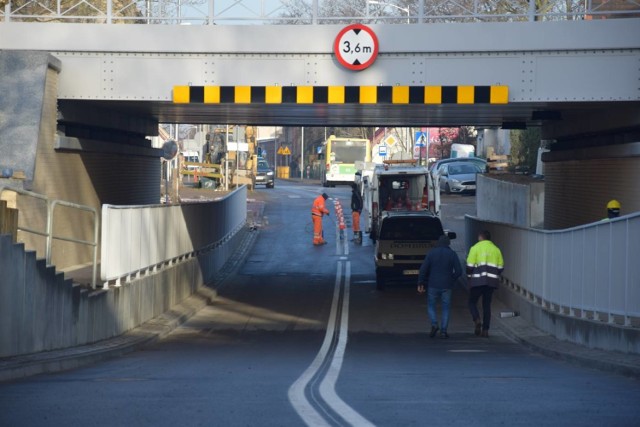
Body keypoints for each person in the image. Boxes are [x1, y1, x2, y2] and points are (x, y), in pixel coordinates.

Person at [417, 235, 463, 339]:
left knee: (431, 305)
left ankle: (434, 324)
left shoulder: (431, 253)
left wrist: (421, 282)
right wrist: (452, 279)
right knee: (446, 307)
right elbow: (459, 271)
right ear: (448, 244)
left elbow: (423, 269)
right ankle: (443, 331)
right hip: (447, 285)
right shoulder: (452, 254)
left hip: (433, 284)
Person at [466, 230, 504, 338]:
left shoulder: (475, 248)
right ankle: (485, 330)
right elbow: (501, 267)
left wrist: (469, 278)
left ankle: (477, 319)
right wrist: (493, 274)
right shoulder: (496, 250)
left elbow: (469, 266)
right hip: (491, 282)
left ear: (480, 237)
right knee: (486, 305)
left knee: (472, 302)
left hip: (477, 281)